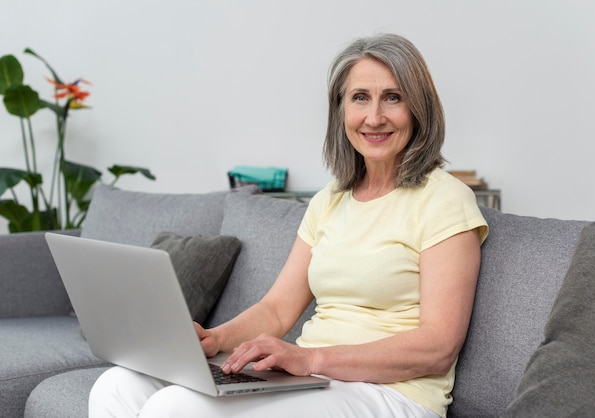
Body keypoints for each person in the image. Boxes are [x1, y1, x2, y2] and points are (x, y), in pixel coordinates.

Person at [89, 33, 489, 418]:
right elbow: (277, 310)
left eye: (393, 98)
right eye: (360, 98)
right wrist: (216, 339)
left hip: (391, 395)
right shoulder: (329, 201)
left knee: (175, 408)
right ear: (341, 111)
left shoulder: (445, 199)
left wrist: (310, 357)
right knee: (117, 386)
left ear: (419, 108)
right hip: (315, 381)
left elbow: (438, 345)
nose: (374, 117)